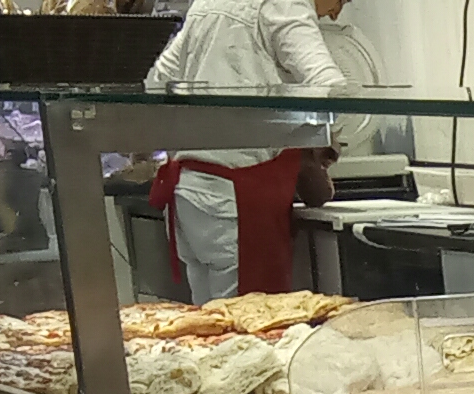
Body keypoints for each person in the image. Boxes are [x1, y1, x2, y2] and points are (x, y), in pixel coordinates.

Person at [144, 0, 353, 304]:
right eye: (342, 1)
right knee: (245, 323)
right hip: (233, 199)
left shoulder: (207, 2)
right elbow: (332, 87)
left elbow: (157, 80)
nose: (336, 14)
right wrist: (327, 140)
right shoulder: (285, 5)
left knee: (209, 322)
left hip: (187, 193)